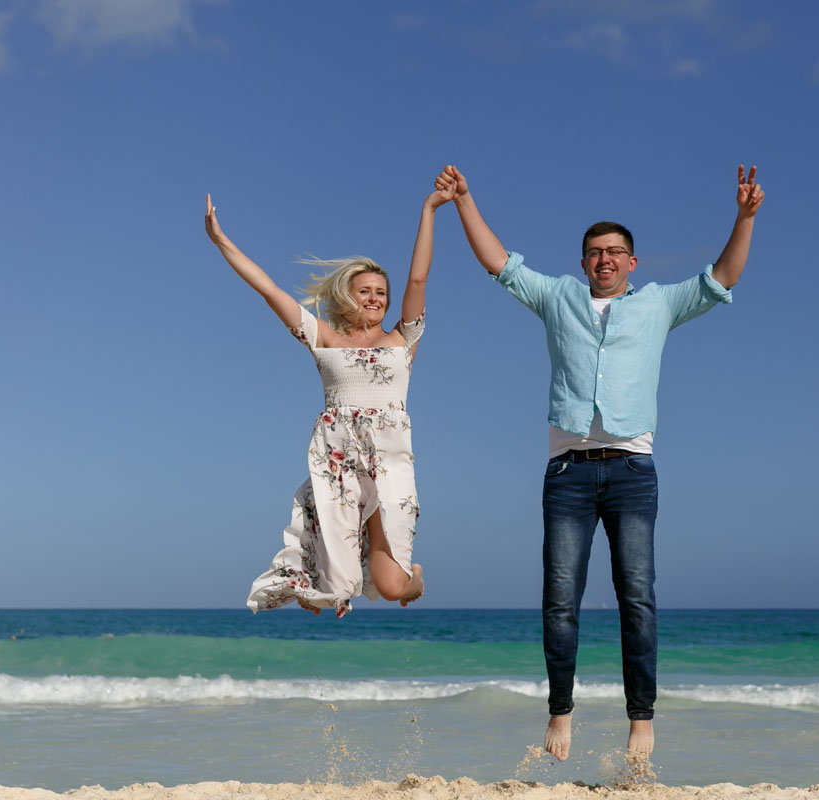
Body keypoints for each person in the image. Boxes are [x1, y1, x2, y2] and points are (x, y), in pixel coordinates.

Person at [436, 164, 764, 761]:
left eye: (615, 252)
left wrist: (743, 218)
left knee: (636, 595)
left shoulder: (660, 305)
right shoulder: (558, 296)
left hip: (633, 472)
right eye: (594, 253)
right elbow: (499, 264)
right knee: (560, 597)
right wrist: (465, 200)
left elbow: (722, 277)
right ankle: (561, 712)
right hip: (568, 472)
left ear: (631, 262)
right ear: (583, 261)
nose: (604, 260)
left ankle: (642, 719)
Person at [204, 182, 454, 617]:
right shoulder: (325, 339)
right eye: (366, 291)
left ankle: (416, 577)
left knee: (393, 587)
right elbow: (269, 291)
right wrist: (222, 241)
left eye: (381, 293)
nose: (375, 298)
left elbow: (419, 276)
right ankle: (325, 580)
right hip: (340, 462)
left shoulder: (402, 340)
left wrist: (430, 208)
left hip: (390, 463)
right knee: (339, 587)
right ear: (346, 296)